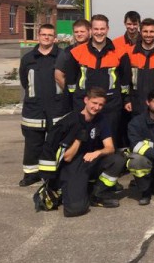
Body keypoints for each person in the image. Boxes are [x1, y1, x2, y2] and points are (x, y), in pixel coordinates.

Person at [52, 88, 126, 217]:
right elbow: (67, 157)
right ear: (86, 100)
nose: (97, 107)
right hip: (73, 164)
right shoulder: (71, 120)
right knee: (76, 209)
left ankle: (97, 194)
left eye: (100, 105)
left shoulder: (101, 120)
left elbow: (110, 148)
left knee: (118, 160)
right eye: (94, 103)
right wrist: (79, 139)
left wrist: (97, 153)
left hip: (90, 159)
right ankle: (67, 190)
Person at [63, 14, 132, 148]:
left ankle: (108, 168)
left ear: (107, 29)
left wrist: (124, 99)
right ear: (90, 30)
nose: (99, 32)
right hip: (83, 104)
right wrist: (74, 103)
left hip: (111, 105)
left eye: (102, 29)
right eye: (96, 29)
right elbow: (70, 83)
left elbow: (125, 81)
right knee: (82, 141)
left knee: (110, 142)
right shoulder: (77, 52)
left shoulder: (120, 52)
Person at [19, 23, 65, 187]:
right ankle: (31, 174)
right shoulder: (28, 58)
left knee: (56, 143)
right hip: (34, 108)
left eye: (50, 35)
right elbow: (25, 82)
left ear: (55, 38)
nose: (46, 37)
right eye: (43, 34)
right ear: (38, 36)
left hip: (57, 108)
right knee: (33, 143)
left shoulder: (62, 56)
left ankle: (53, 174)